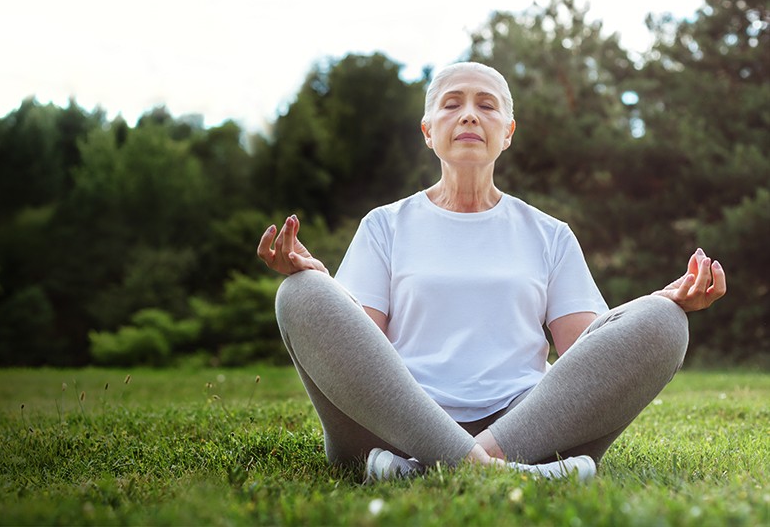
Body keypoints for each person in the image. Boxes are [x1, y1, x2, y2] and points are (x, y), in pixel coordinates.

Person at [256, 61, 726, 482]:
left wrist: (657, 304)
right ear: (427, 129)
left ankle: (433, 470)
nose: (468, 115)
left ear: (508, 131)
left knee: (665, 321)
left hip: (525, 424)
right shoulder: (384, 226)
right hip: (396, 424)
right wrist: (325, 287)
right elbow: (361, 352)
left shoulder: (549, 234)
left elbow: (584, 352)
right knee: (299, 293)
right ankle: (507, 474)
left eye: (486, 105)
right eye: (451, 104)